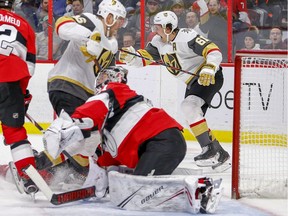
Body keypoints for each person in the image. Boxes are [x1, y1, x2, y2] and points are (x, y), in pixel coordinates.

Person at [43, 66, 223, 214]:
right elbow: (110, 159)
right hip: (161, 145)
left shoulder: (115, 90)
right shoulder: (110, 122)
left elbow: (93, 107)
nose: (99, 80)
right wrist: (101, 177)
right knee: (133, 188)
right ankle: (194, 183)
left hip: (161, 141)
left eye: (104, 75)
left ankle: (202, 191)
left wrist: (68, 126)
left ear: (116, 77)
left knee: (137, 192)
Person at [119, 11, 230, 171]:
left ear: (168, 28)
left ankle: (210, 149)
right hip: (192, 82)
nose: (154, 31)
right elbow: (144, 60)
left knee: (189, 107)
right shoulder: (158, 41)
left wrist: (209, 68)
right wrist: (131, 57)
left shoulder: (186, 36)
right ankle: (219, 153)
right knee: (190, 114)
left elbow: (213, 50)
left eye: (157, 27)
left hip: (208, 76)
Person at [40, 0, 128, 181]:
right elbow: (61, 26)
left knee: (92, 138)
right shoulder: (91, 21)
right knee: (77, 134)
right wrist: (90, 37)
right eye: (119, 20)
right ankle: (38, 165)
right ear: (109, 17)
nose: (121, 25)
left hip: (85, 95)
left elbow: (107, 77)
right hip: (67, 84)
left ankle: (64, 172)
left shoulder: (111, 44)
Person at [0, 0, 38, 195]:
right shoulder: (24, 25)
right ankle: (29, 177)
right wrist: (22, 94)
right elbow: (29, 67)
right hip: (10, 78)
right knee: (15, 133)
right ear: (12, 6)